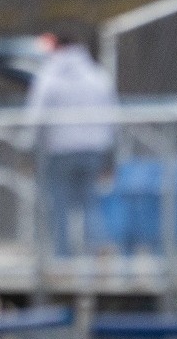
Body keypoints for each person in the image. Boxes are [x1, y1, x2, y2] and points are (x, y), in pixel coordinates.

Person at [24, 27, 118, 253]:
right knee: (91, 204)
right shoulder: (97, 76)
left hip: (60, 151)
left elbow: (35, 118)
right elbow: (112, 117)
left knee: (59, 208)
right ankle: (98, 252)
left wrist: (28, 150)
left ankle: (61, 257)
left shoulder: (49, 77)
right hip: (94, 149)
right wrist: (109, 156)